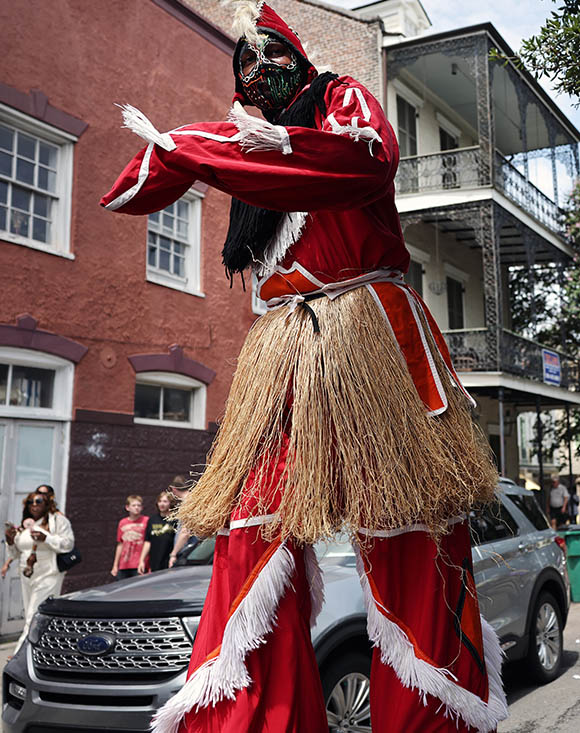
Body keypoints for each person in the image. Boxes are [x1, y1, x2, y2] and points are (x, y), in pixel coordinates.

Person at [101, 5, 503, 731]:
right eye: (245, 70)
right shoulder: (248, 149)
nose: (258, 77)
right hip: (283, 349)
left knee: (408, 529)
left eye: (270, 60)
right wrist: (180, 148)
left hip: (370, 333)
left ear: (298, 57)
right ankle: (256, 719)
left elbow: (367, 157)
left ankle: (433, 716)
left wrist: (257, 144)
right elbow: (137, 186)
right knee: (250, 528)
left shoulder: (339, 103)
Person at [4, 491, 75, 650]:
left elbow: (68, 544)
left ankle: (19, 654)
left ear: (47, 504)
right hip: (27, 574)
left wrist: (46, 538)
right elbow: (16, 554)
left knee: (33, 616)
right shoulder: (25, 524)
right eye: (31, 502)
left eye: (39, 501)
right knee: (35, 616)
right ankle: (45, 649)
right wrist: (10, 542)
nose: (34, 505)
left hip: (48, 574)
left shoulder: (57, 521)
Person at [140, 491, 178, 573]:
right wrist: (141, 560)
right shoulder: (152, 520)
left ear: (170, 503)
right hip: (155, 561)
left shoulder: (175, 520)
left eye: (165, 501)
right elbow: (147, 541)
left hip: (169, 561)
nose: (162, 504)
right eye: (160, 501)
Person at [111, 495, 147, 579]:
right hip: (124, 564)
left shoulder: (146, 521)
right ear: (127, 507)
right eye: (134, 505)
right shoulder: (122, 522)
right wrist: (115, 565)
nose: (136, 508)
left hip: (139, 564)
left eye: (139, 505)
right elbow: (120, 544)